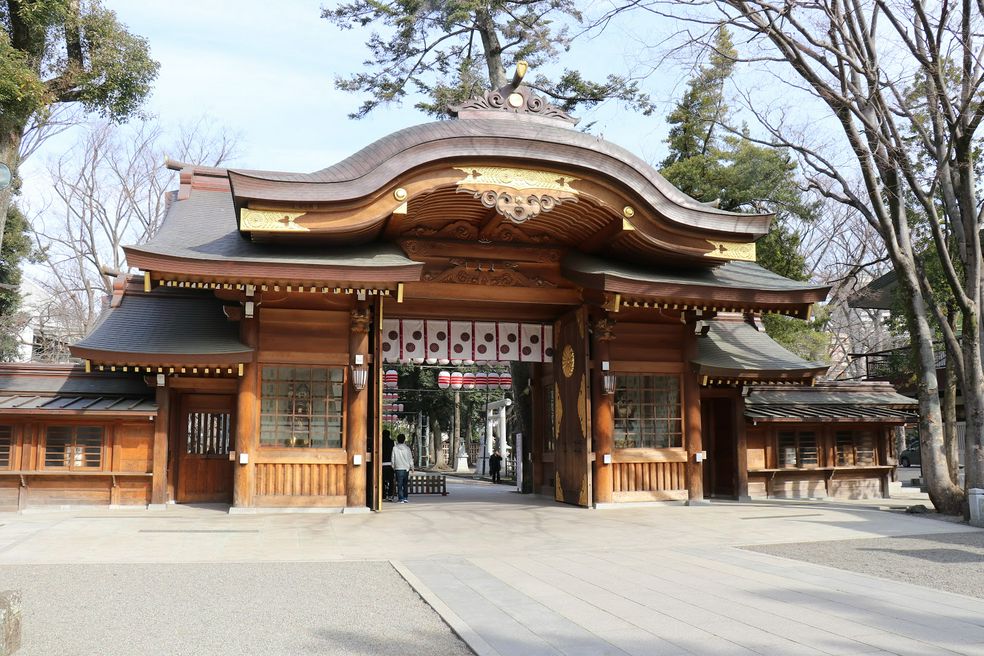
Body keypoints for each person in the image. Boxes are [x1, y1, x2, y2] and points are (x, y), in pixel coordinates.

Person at [392, 433, 414, 503]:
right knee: (405, 484)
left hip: (398, 468)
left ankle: (400, 498)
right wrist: (412, 467)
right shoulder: (407, 448)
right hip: (406, 468)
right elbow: (410, 458)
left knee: (399, 484)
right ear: (404, 440)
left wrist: (393, 466)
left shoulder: (395, 448)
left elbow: (393, 458)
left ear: (397, 440)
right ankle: (405, 497)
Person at [381, 430, 395, 502]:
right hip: (390, 464)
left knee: (382, 480)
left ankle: (383, 495)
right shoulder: (391, 442)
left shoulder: (380, 441)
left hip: (382, 464)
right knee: (391, 480)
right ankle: (390, 495)